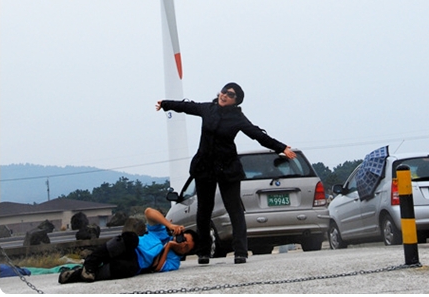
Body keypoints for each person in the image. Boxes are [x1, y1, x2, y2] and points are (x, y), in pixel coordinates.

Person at [156, 82, 296, 265]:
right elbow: (186, 106)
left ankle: (240, 252)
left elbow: (257, 134)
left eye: (230, 94)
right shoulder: (208, 109)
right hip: (205, 167)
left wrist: (281, 147)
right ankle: (203, 252)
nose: (224, 95)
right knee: (204, 211)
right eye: (224, 91)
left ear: (236, 101)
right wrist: (165, 103)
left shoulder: (237, 118)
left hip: (227, 167)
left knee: (234, 209)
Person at [58, 207, 196, 284]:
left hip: (137, 262)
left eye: (187, 247)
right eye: (184, 239)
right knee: (131, 237)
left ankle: (77, 275)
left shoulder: (174, 262)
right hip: (131, 247)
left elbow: (157, 267)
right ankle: (89, 264)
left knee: (127, 269)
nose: (183, 244)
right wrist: (169, 225)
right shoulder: (161, 233)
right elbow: (148, 212)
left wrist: (168, 247)